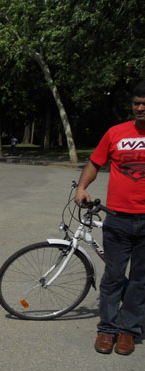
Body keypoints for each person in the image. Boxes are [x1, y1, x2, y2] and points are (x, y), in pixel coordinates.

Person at [74, 80, 145, 356]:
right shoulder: (116, 132)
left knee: (140, 279)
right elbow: (95, 162)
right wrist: (82, 187)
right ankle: (107, 328)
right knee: (113, 275)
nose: (140, 108)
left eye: (144, 104)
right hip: (119, 217)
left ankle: (129, 331)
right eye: (136, 103)